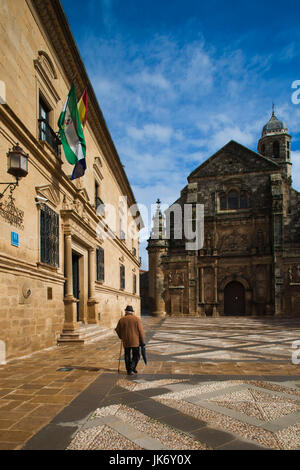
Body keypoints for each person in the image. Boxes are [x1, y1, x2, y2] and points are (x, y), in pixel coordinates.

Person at [115, 305, 145, 375]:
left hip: (126, 341)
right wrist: (142, 340)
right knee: (136, 355)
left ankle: (129, 370)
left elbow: (117, 330)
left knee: (127, 355)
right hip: (135, 341)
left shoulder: (121, 319)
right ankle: (132, 367)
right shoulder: (136, 319)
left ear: (126, 312)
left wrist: (121, 337)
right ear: (132, 312)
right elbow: (141, 331)